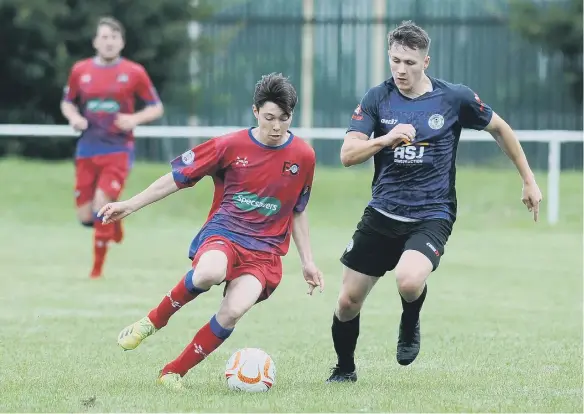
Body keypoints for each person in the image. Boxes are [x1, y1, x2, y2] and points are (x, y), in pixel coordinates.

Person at [326, 20, 543, 383]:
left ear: (426, 62)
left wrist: (528, 179)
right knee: (347, 302)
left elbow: (500, 128)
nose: (400, 69)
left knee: (409, 280)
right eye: (395, 60)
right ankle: (345, 369)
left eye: (410, 62)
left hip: (432, 213)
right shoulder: (377, 98)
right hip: (382, 213)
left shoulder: (453, 98)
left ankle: (409, 322)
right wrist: (385, 139)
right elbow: (347, 154)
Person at [98, 73, 324, 389]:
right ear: (256, 111)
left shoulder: (304, 156)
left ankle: (172, 372)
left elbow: (298, 210)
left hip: (265, 252)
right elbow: (177, 177)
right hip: (226, 233)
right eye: (269, 117)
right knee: (208, 272)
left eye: (284, 119)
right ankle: (153, 321)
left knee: (233, 311)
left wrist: (308, 261)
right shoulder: (229, 145)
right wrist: (131, 205)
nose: (276, 127)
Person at [61, 16, 164, 279]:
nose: (109, 42)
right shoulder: (80, 70)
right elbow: (68, 102)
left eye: (114, 37)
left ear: (122, 43)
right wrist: (74, 117)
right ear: (95, 42)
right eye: (104, 37)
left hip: (118, 150)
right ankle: (116, 221)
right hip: (87, 148)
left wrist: (134, 119)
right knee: (86, 216)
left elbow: (156, 107)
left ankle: (96, 272)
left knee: (100, 203)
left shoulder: (134, 72)